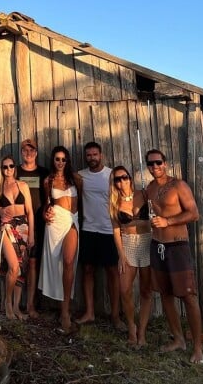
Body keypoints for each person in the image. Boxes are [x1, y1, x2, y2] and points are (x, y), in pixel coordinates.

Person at [145, 149, 203, 364]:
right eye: (150, 164)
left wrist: (168, 222)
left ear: (166, 163)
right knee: (165, 293)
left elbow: (194, 213)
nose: (155, 167)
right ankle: (179, 339)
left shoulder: (179, 185)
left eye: (158, 163)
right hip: (157, 245)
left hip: (177, 246)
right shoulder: (149, 189)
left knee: (188, 296)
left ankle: (198, 348)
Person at [76, 141, 123, 329]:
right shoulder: (80, 176)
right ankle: (89, 313)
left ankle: (115, 315)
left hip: (109, 230)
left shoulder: (111, 175)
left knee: (113, 272)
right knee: (87, 271)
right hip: (88, 229)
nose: (92, 158)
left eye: (95, 155)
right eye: (88, 155)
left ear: (101, 155)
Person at [39, 146, 82, 334]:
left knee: (68, 261)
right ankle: (61, 307)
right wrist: (44, 214)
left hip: (73, 220)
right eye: (57, 159)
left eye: (64, 159)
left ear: (68, 161)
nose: (60, 162)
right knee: (57, 264)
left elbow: (83, 202)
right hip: (56, 221)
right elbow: (45, 204)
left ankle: (66, 309)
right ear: (53, 160)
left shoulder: (76, 179)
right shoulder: (48, 180)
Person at [109, 166, 152, 346]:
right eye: (117, 179)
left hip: (147, 242)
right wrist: (121, 255)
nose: (122, 182)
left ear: (130, 178)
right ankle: (131, 327)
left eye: (124, 177)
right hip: (127, 244)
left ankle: (141, 332)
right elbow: (116, 231)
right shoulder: (114, 202)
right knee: (125, 289)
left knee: (145, 290)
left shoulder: (143, 194)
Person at [0, 155, 35, 320]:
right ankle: (7, 303)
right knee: (14, 267)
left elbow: (29, 212)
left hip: (23, 228)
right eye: (4, 167)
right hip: (7, 229)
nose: (8, 169)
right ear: (1, 169)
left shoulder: (23, 185)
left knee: (21, 270)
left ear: (15, 168)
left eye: (11, 166)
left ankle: (16, 307)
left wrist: (32, 235)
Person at [17, 138, 49, 318]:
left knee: (34, 263)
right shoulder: (16, 172)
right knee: (18, 264)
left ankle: (30, 305)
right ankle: (13, 304)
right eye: (25, 151)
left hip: (38, 224)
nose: (28, 154)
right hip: (18, 224)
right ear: (21, 153)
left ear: (36, 153)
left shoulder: (44, 173)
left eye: (32, 151)